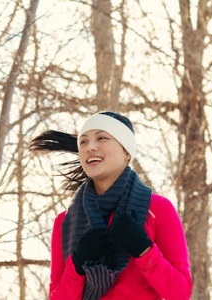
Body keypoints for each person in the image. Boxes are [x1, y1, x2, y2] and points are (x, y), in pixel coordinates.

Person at [30, 112, 193, 300]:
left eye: (102, 138)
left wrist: (143, 250)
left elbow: (180, 292)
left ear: (126, 151)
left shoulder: (157, 209)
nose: (90, 147)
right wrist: (77, 264)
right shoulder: (65, 222)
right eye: (83, 142)